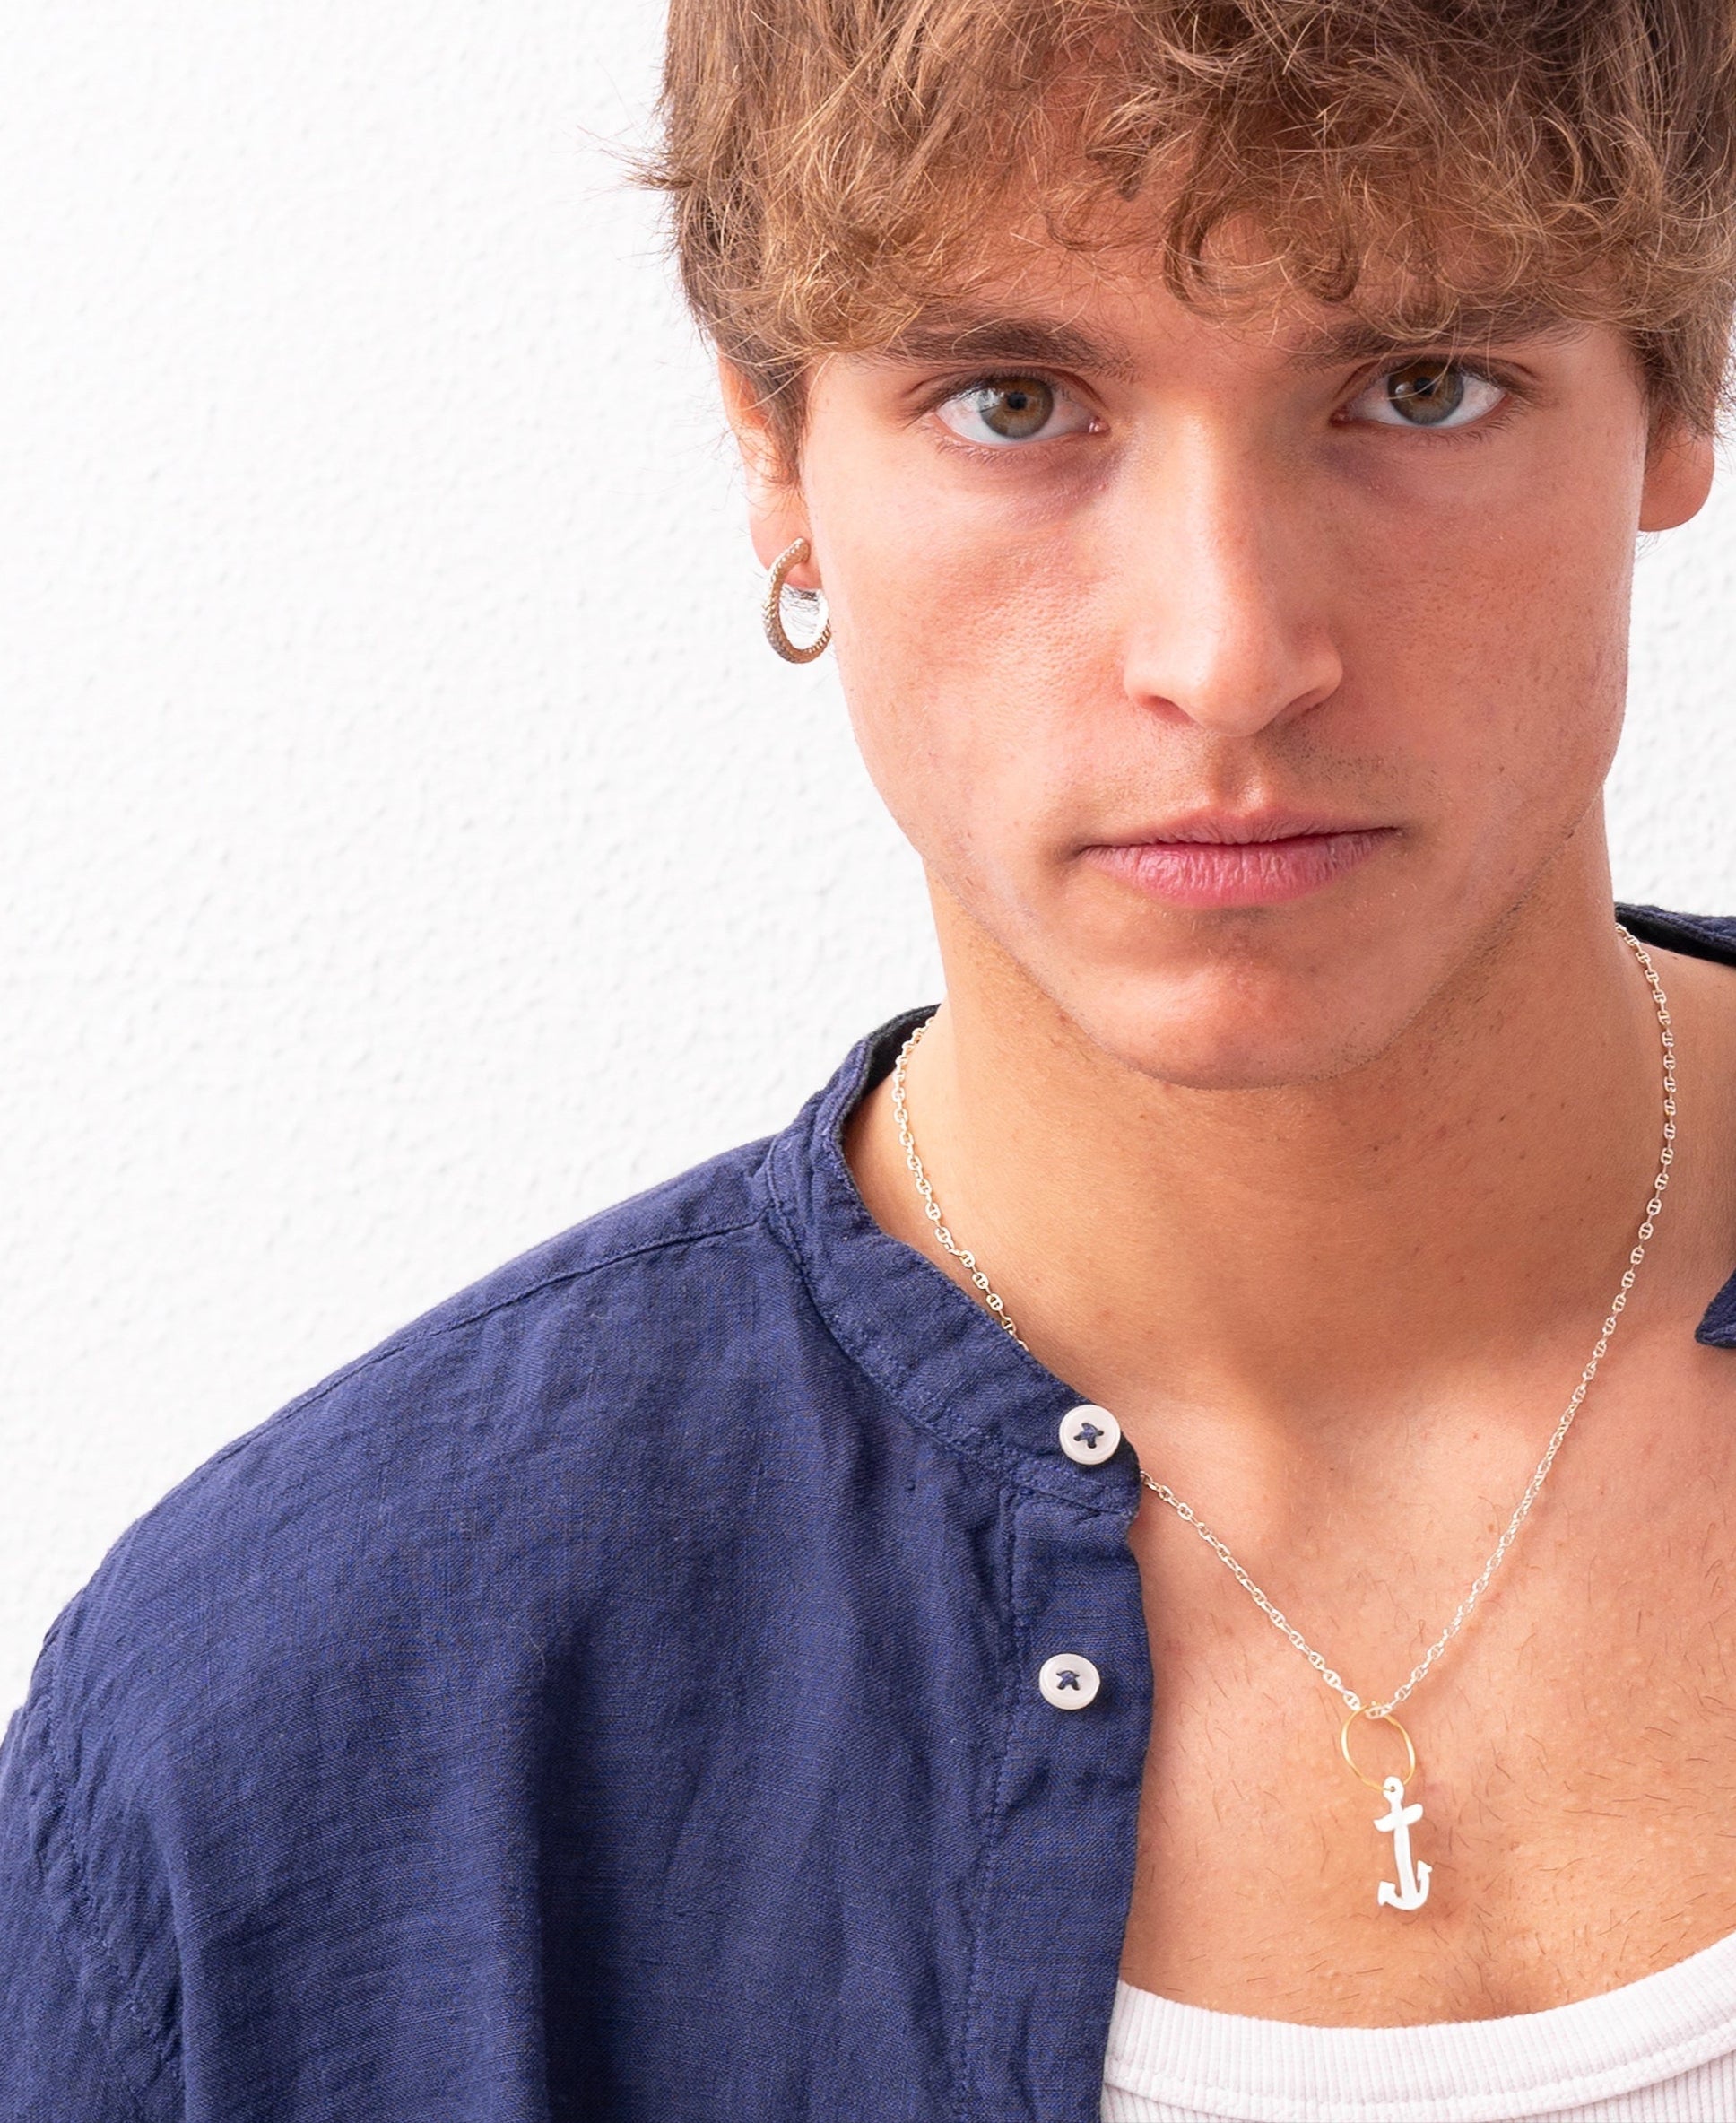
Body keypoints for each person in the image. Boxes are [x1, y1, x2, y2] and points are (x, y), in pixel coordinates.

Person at [6, 1, 1736, 2117]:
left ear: (1673, 389)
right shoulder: (283, 1733)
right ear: (773, 452)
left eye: (1416, 388)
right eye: (1015, 405)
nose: (1226, 655)